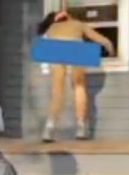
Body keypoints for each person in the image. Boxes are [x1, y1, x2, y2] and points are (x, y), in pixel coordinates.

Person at [36, 10, 115, 142]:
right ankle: (81, 128)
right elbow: (100, 39)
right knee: (79, 86)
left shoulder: (51, 27)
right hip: (75, 46)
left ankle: (48, 129)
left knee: (57, 91)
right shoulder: (78, 24)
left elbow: (41, 44)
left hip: (55, 48)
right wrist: (110, 48)